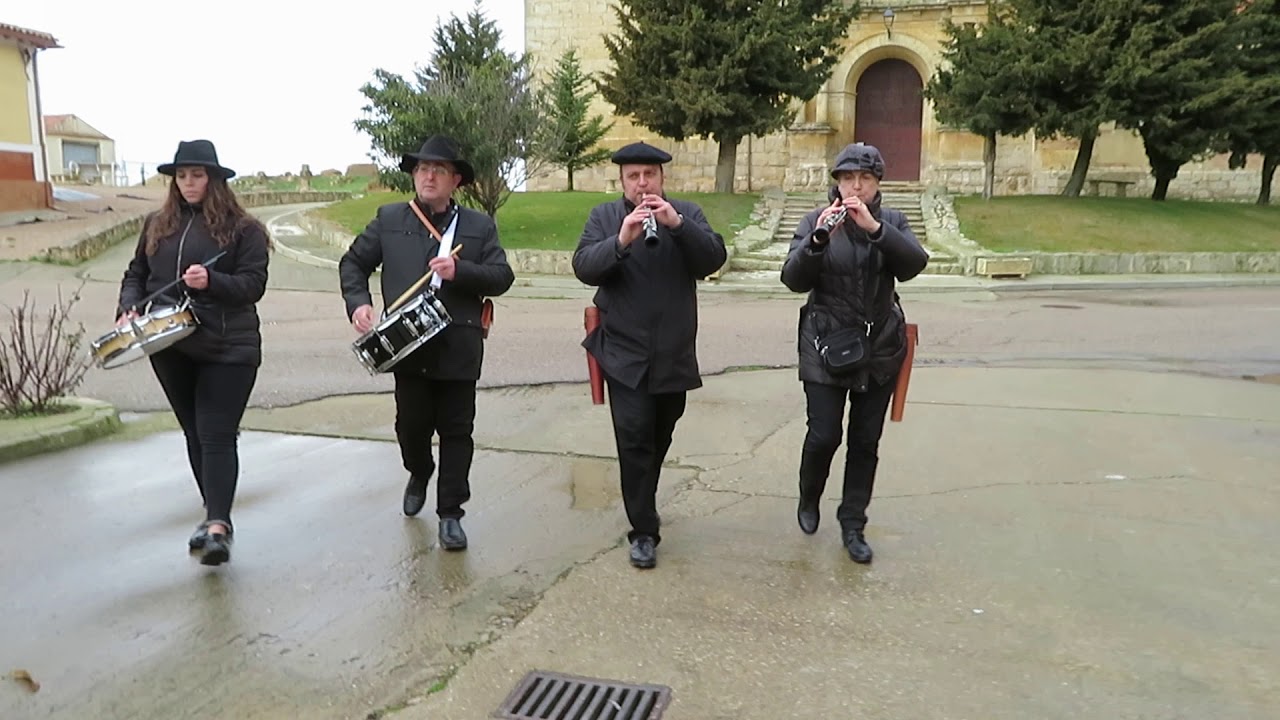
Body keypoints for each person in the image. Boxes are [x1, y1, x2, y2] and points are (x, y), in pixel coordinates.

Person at [338, 135, 514, 551]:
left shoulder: (478, 226)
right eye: (421, 168)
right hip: (407, 347)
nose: (428, 175)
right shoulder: (389, 218)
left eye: (438, 169)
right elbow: (354, 263)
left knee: (457, 430)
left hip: (459, 345)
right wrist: (358, 304)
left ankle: (451, 513)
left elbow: (501, 277)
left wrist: (460, 271)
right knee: (410, 428)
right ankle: (419, 471)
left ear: (456, 179)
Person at [115, 139, 272, 566]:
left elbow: (253, 285)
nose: (187, 183)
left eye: (197, 175)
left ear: (215, 179)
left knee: (217, 433)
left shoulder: (245, 230)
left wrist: (212, 282)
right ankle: (213, 514)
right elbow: (137, 274)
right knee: (194, 432)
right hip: (169, 344)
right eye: (181, 176)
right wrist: (128, 306)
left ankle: (218, 526)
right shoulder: (156, 225)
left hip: (229, 346)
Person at [573, 141, 727, 569]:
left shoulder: (687, 214)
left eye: (650, 175)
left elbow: (712, 258)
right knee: (635, 438)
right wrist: (621, 240)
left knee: (660, 433)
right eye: (633, 177)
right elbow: (584, 266)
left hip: (674, 352)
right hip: (623, 352)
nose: (643, 184)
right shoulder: (604, 217)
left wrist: (676, 224)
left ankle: (643, 491)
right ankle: (643, 529)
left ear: (662, 178)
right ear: (622, 181)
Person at [779, 142, 929, 564]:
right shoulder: (814, 220)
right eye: (847, 179)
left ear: (878, 183)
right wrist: (817, 240)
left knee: (865, 441)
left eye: (864, 179)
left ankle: (853, 523)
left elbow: (914, 265)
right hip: (824, 342)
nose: (855, 187)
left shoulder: (893, 221)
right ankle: (809, 497)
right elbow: (792, 279)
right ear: (837, 183)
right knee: (824, 434)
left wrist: (876, 231)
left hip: (880, 346)